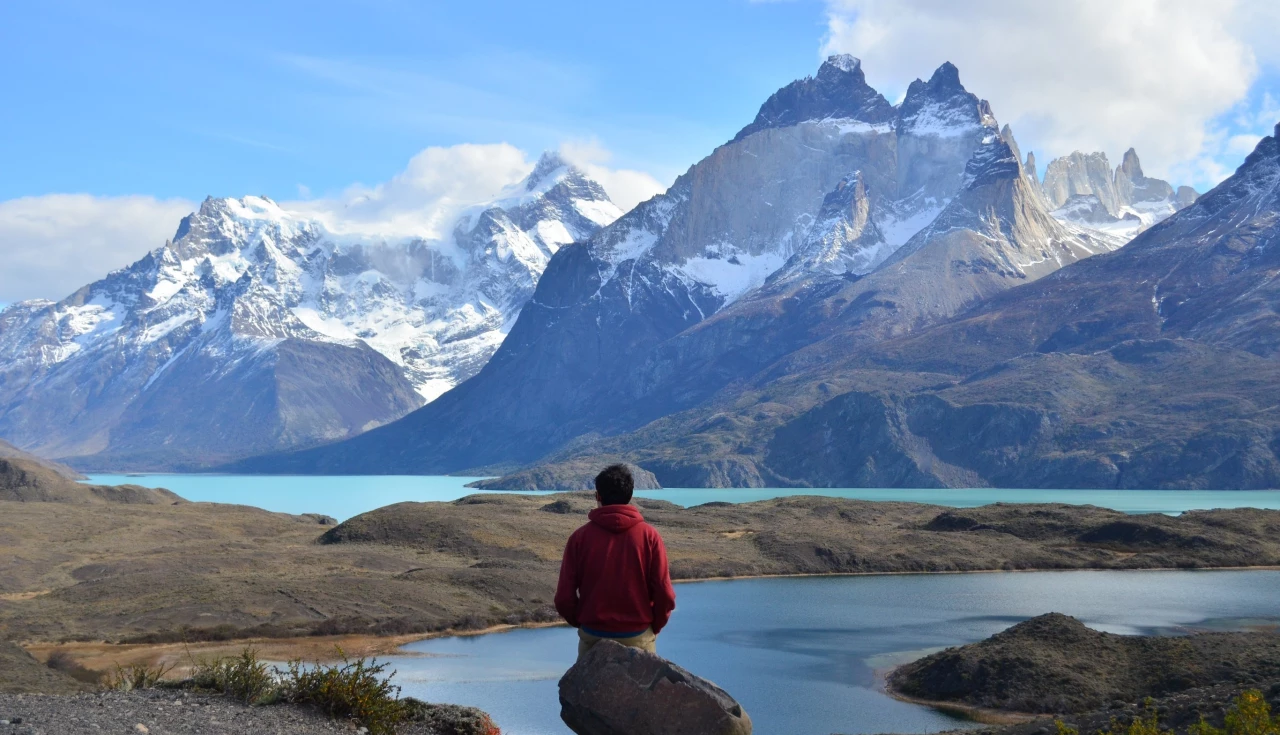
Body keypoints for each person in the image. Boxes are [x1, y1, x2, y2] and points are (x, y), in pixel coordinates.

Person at [554, 464, 677, 658]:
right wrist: (654, 627)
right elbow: (665, 594)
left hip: (593, 637)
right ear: (630, 495)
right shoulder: (650, 536)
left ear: (598, 496)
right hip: (639, 637)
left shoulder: (579, 538)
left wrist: (584, 623)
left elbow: (563, 598)